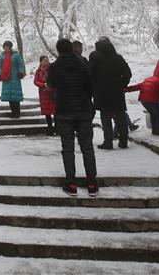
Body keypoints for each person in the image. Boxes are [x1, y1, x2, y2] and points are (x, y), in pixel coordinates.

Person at [47, 37, 98, 197]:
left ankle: (71, 183)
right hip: (83, 110)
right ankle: (92, 183)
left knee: (67, 147)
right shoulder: (82, 64)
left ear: (58, 50)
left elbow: (50, 85)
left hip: (64, 111)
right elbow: (90, 88)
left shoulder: (55, 67)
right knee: (87, 147)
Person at [88, 37, 132, 149]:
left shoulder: (94, 56)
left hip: (101, 92)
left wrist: (94, 87)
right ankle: (123, 141)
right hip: (117, 92)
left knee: (105, 118)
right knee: (120, 117)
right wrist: (122, 84)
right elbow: (127, 73)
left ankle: (108, 142)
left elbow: (89, 73)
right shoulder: (118, 58)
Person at [126, 60, 159, 135]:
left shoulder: (148, 79)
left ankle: (154, 130)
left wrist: (127, 89)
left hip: (143, 100)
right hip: (152, 100)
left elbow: (138, 86)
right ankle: (158, 131)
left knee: (153, 114)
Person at [0, 40, 25, 118]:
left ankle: (17, 112)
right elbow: (0, 66)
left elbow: (20, 64)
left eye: (7, 47)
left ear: (10, 47)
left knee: (15, 96)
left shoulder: (16, 55)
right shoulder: (2, 56)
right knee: (9, 96)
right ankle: (13, 112)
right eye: (4, 47)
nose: (6, 49)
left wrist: (21, 72)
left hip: (15, 77)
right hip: (6, 78)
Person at [33, 55, 56, 134]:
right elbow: (35, 81)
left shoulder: (52, 69)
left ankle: (57, 129)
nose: (46, 62)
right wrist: (43, 84)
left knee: (55, 111)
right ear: (41, 62)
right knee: (47, 113)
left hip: (52, 93)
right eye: (44, 61)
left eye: (47, 60)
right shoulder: (38, 71)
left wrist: (50, 84)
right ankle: (50, 129)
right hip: (43, 94)